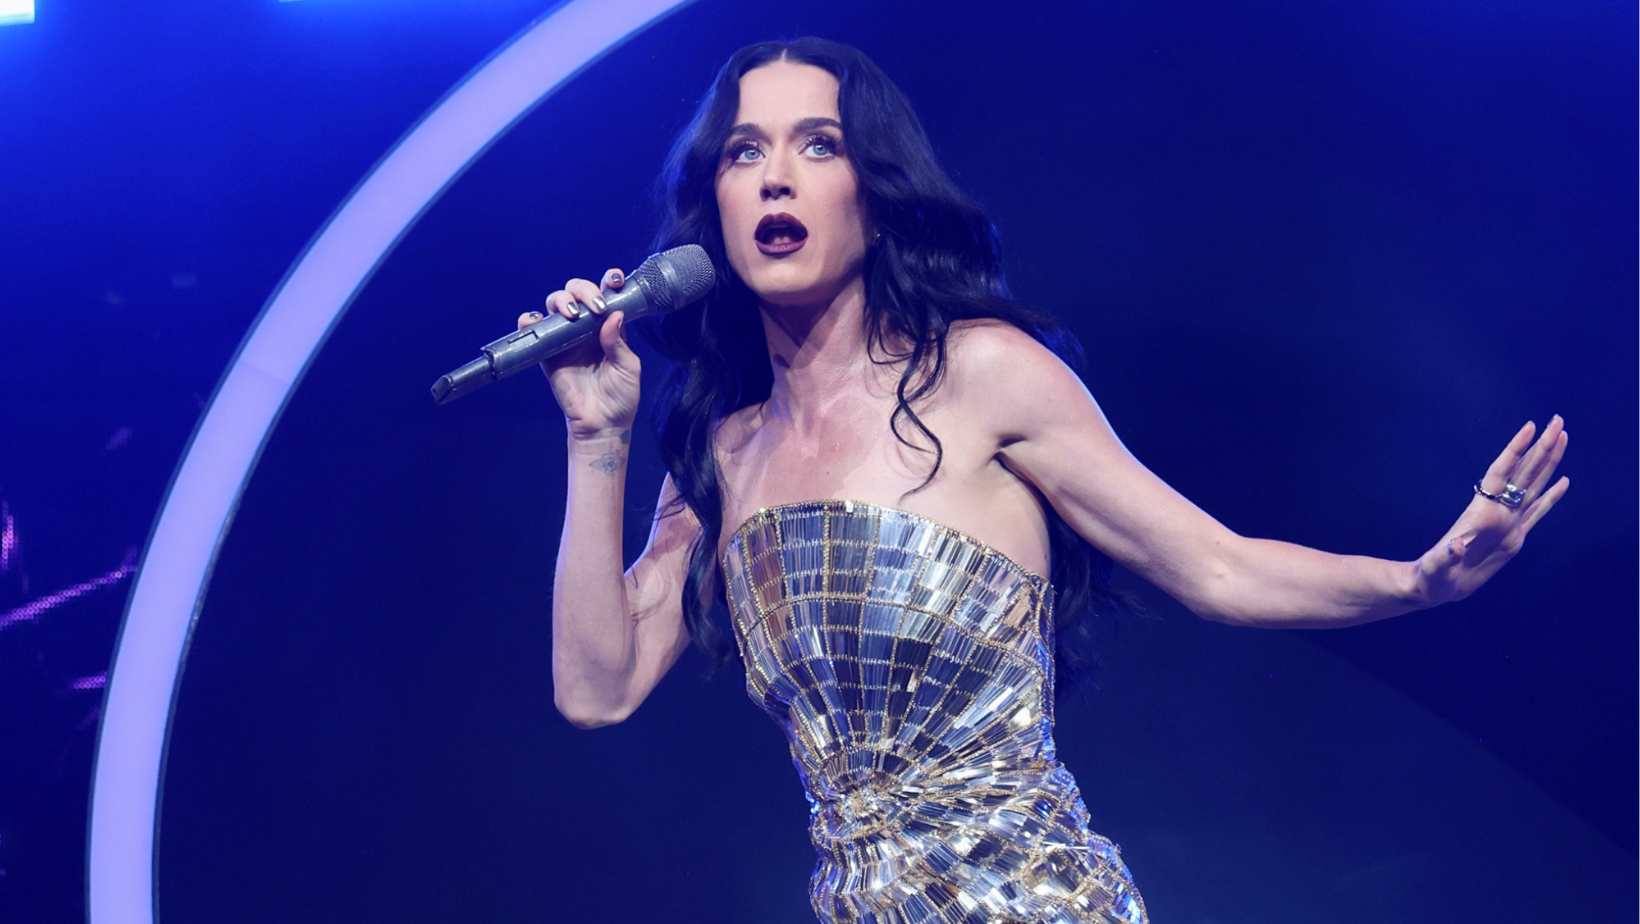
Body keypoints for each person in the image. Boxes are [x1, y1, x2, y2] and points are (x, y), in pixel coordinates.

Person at [515, 37, 1570, 924]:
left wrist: (1418, 581)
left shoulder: (982, 375)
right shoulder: (722, 451)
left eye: (818, 144)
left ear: (874, 195)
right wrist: (595, 435)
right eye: (745, 151)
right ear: (714, 201)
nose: (775, 177)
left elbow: (1218, 569)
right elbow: (596, 690)